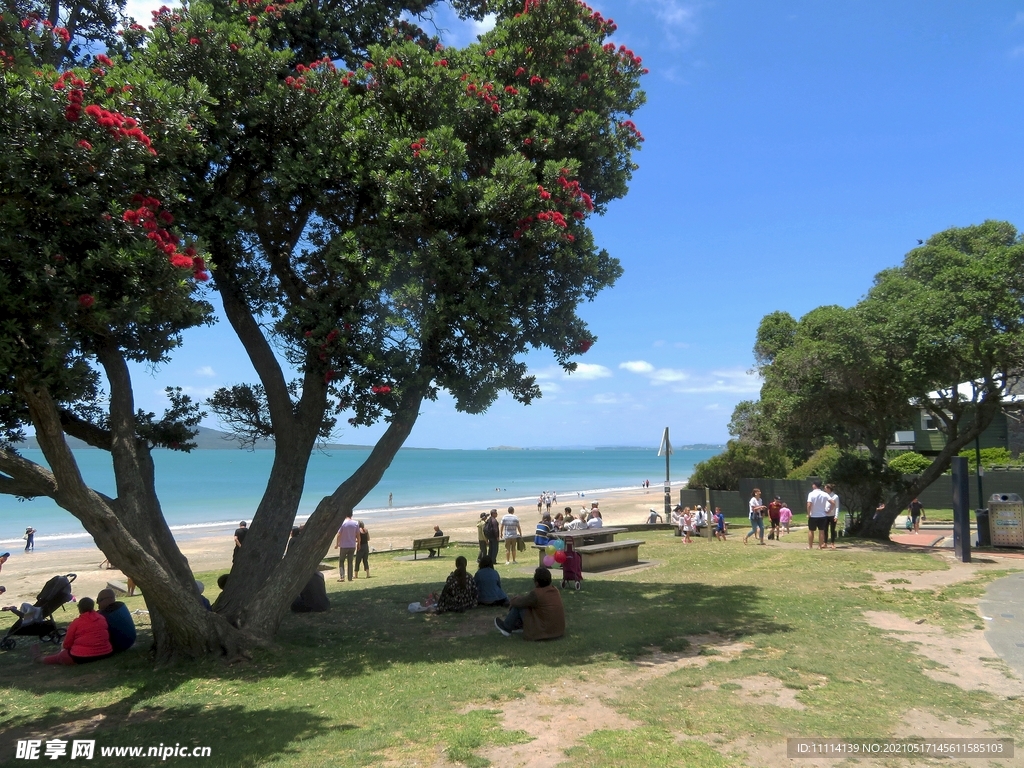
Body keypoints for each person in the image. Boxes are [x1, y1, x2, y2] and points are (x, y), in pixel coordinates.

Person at [33, 597, 113, 665]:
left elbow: (67, 643)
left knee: (62, 656)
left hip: (82, 657)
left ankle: (40, 659)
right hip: (106, 653)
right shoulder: (101, 618)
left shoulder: (77, 622)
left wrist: (65, 648)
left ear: (80, 608)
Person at [493, 566, 565, 641]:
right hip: (557, 631)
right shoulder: (555, 590)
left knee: (519, 606)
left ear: (537, 583)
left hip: (543, 632)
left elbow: (520, 602)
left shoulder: (536, 594)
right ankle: (519, 625)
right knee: (526, 605)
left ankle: (506, 627)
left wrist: (513, 601)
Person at [96, 588, 136, 653]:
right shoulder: (121, 607)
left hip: (118, 646)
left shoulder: (104, 615)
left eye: (99, 600)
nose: (97, 603)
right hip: (130, 641)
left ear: (109, 599)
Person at [806, 480, 834, 549]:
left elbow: (809, 504)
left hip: (813, 515)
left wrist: (809, 513)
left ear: (814, 485)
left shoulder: (811, 494)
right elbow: (833, 503)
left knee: (811, 530)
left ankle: (810, 546)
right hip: (822, 515)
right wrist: (829, 510)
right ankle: (819, 546)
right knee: (821, 531)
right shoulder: (824, 494)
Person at [335, 511, 360, 581]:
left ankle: (342, 577)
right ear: (351, 514)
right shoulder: (355, 523)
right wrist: (359, 544)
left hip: (344, 545)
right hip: (352, 545)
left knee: (341, 561)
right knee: (350, 562)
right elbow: (358, 535)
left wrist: (337, 544)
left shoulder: (343, 523)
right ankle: (350, 577)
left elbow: (339, 534)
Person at [824, 484, 840, 549]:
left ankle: (832, 543)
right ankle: (825, 543)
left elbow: (837, 507)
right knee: (825, 529)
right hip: (825, 515)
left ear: (829, 489)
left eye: (825, 488)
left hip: (832, 515)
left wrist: (836, 516)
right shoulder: (824, 496)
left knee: (832, 530)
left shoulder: (835, 496)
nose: (824, 489)